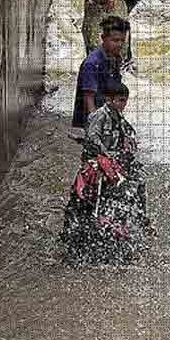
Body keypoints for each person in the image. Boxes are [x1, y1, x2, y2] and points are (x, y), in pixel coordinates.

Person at [61, 81, 153, 265]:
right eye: (120, 100)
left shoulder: (118, 118)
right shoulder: (99, 116)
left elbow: (130, 133)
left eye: (125, 101)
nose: (123, 104)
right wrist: (107, 154)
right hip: (96, 166)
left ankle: (140, 221)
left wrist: (130, 144)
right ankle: (75, 236)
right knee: (87, 199)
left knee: (138, 182)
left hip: (114, 165)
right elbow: (93, 138)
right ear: (108, 99)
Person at [72, 16, 128, 135]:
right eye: (115, 40)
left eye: (122, 40)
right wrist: (97, 128)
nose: (119, 44)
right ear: (103, 38)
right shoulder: (92, 64)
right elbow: (89, 101)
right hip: (91, 121)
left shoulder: (115, 58)